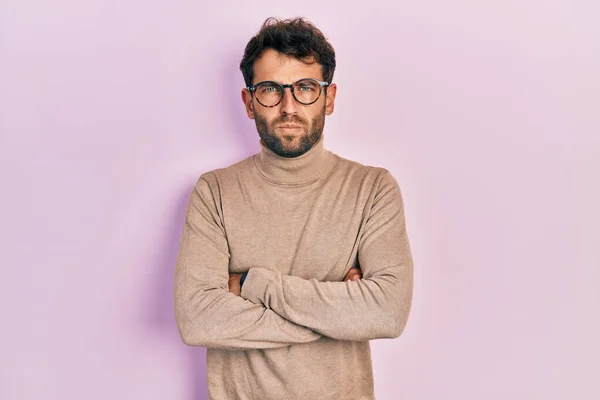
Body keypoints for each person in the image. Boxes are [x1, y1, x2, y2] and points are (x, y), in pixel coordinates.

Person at [174, 16, 414, 400]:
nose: (288, 106)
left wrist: (254, 285)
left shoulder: (372, 189)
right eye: (270, 89)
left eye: (305, 87)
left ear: (329, 98)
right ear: (250, 101)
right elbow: (197, 319)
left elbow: (387, 311)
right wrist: (338, 315)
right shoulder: (214, 192)